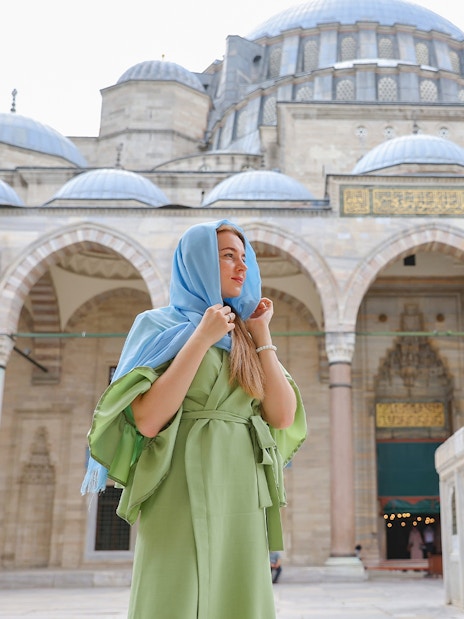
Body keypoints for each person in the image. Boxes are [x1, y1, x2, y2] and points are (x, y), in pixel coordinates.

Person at [81, 219, 307, 619]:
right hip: (179, 482)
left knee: (239, 594)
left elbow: (282, 414)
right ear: (198, 262)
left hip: (242, 486)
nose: (242, 267)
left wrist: (261, 335)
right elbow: (148, 420)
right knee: (175, 591)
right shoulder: (158, 326)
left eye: (244, 258)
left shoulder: (245, 337)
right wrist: (201, 337)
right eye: (227, 256)